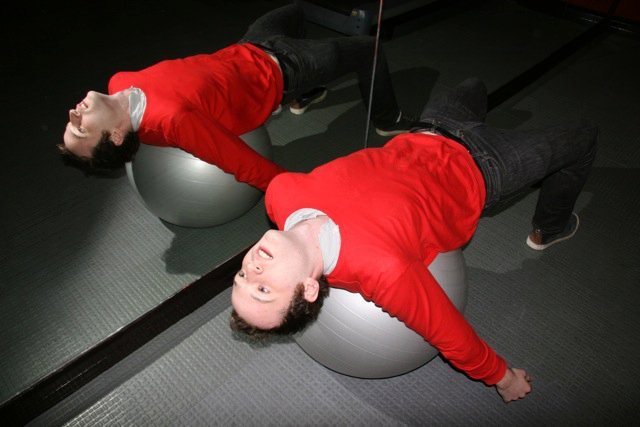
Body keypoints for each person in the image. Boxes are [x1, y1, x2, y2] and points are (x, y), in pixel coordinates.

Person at [229, 77, 598, 402]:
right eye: (263, 289)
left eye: (242, 278)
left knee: (474, 85)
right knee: (583, 135)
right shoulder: (381, 270)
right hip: (485, 166)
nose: (252, 269)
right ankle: (550, 227)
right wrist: (503, 378)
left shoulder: (281, 193)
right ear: (309, 289)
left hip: (429, 128)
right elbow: (447, 332)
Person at [59, 3, 414, 191]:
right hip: (282, 70)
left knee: (297, 10)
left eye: (71, 123)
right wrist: (293, 192)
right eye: (80, 127)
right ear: (115, 136)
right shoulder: (172, 120)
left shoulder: (119, 80)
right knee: (370, 48)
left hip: (250, 46)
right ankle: (388, 119)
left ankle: (306, 95)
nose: (74, 114)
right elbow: (239, 161)